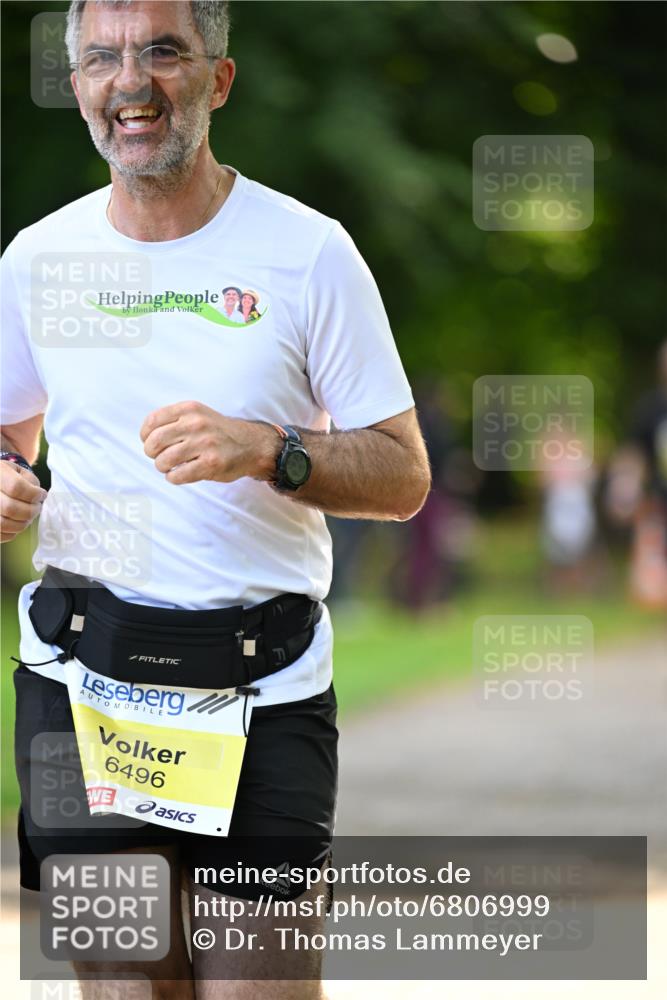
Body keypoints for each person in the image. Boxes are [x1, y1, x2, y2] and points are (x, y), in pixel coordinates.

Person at [0, 2, 431, 999]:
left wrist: (269, 450)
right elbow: (9, 435)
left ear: (217, 80)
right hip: (81, 680)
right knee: (121, 984)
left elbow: (403, 474)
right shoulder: (37, 261)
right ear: (78, 89)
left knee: (255, 990)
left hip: (260, 688)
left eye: (162, 50)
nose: (131, 81)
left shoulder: (307, 252)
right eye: (103, 59)